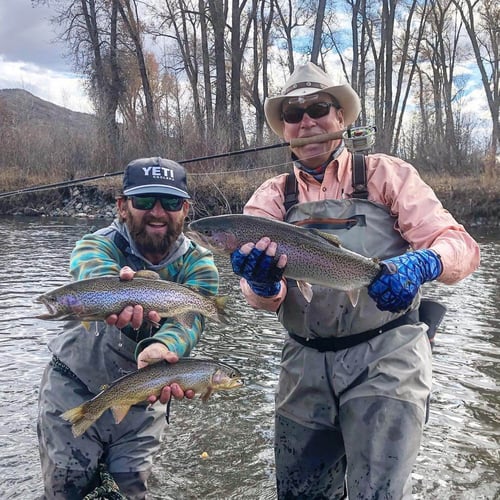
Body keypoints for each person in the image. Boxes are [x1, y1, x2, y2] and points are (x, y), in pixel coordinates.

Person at [230, 62, 480, 499]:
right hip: (303, 364)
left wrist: (423, 263)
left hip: (387, 356)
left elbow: (459, 245)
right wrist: (265, 285)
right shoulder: (269, 197)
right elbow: (258, 299)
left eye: (319, 108)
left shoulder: (388, 175)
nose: (307, 121)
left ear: (341, 118)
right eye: (293, 114)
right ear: (285, 129)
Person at [37, 157, 220, 499]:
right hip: (73, 388)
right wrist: (112, 290)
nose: (157, 212)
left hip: (143, 402)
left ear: (186, 210)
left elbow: (192, 321)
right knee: (66, 490)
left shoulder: (199, 264)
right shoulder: (97, 244)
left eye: (170, 202)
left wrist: (166, 347)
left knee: (129, 492)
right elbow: (89, 270)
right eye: (144, 201)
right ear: (122, 207)